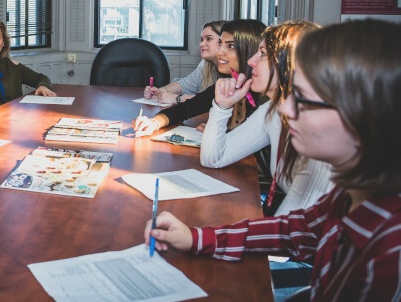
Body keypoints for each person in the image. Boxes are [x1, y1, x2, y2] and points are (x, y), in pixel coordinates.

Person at [144, 19, 401, 300]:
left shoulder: (389, 249)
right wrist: (197, 238)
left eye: (306, 98)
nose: (287, 107)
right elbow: (294, 230)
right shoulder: (347, 197)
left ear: (367, 115)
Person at [201, 20, 332, 215]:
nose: (251, 61)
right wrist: (222, 107)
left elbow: (295, 227)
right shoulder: (273, 110)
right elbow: (213, 158)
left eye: (262, 54)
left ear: (291, 63)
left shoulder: (321, 129)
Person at [134, 19, 266, 136]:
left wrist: (220, 132)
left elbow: (247, 140)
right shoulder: (226, 83)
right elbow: (185, 109)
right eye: (220, 44)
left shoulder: (261, 95)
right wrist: (153, 123)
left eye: (230, 46)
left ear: (251, 49)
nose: (219, 52)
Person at [0, 18, 56, 114]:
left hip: (14, 119)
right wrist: (3, 111)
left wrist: (43, 86)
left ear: (3, 42)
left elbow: (41, 78)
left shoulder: (13, 66)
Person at [145, 20, 225, 104]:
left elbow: (213, 101)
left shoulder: (231, 70)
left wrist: (176, 98)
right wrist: (161, 91)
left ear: (223, 41)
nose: (201, 44)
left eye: (208, 39)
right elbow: (186, 84)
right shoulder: (206, 64)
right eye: (202, 39)